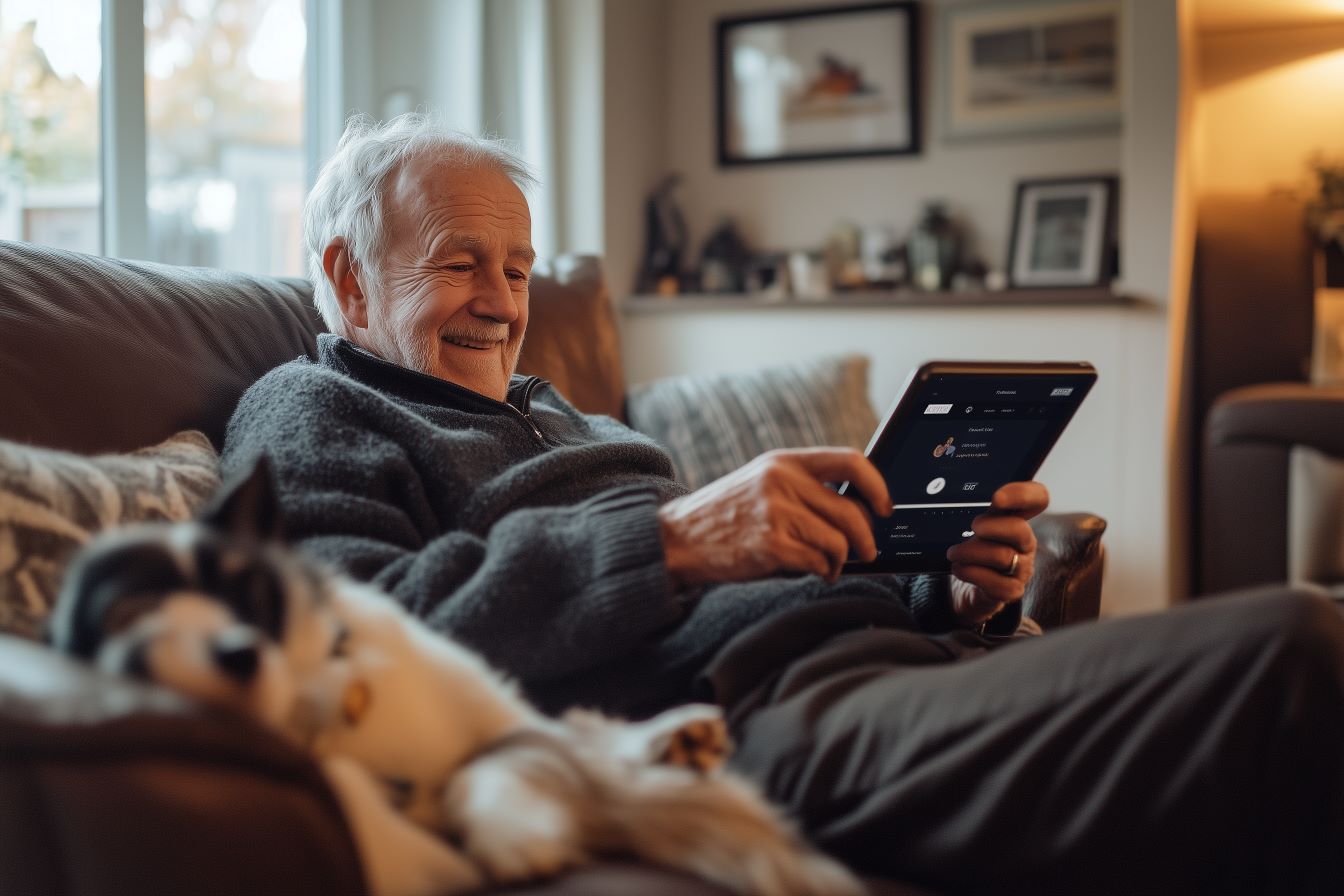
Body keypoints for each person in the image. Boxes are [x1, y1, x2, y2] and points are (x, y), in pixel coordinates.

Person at [222, 114, 1344, 895]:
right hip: (751, 714)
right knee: (1292, 645)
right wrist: (672, 538)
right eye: (462, 262)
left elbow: (747, 567)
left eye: (518, 269)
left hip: (890, 652)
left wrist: (937, 574)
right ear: (352, 276)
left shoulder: (576, 418)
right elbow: (348, 628)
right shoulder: (311, 404)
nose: (503, 302)